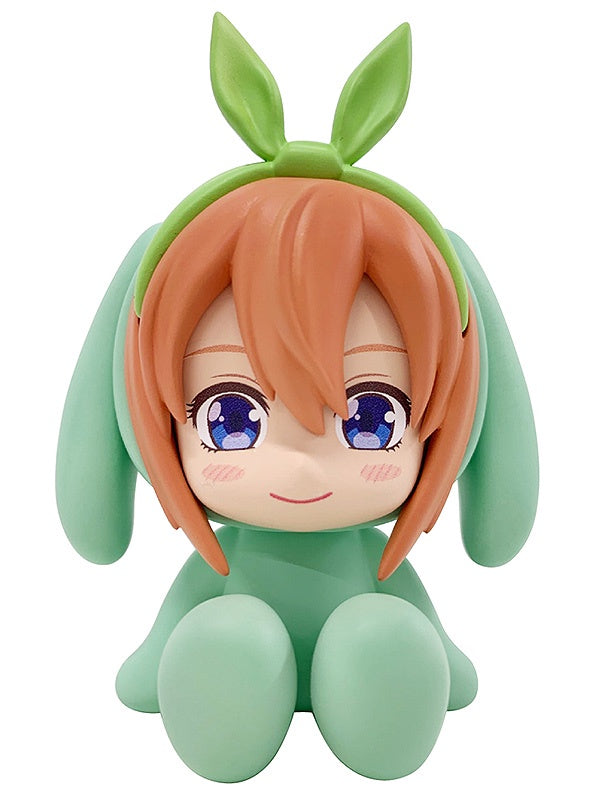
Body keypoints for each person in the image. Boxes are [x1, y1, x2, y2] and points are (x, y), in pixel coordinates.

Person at [56, 14, 538, 783]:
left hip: (375, 636)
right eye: (231, 418)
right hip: (229, 637)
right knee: (229, 636)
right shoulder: (214, 578)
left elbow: (449, 670)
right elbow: (149, 672)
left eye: (374, 418)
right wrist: (170, 662)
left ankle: (371, 691)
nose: (304, 465)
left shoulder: (383, 575)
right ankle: (231, 690)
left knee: (381, 635)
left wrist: (426, 660)